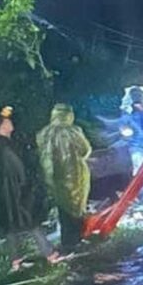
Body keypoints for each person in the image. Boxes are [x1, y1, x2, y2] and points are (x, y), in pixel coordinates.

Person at [0, 108, 59, 269]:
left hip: (8, 192)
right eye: (7, 121)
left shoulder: (1, 144)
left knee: (12, 223)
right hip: (16, 191)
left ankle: (15, 259)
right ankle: (49, 253)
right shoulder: (5, 147)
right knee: (30, 220)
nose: (10, 123)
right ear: (2, 126)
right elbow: (19, 169)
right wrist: (27, 185)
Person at [37, 104, 92, 251]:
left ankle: (66, 241)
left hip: (54, 178)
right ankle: (77, 239)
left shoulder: (44, 133)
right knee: (77, 207)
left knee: (62, 208)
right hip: (75, 177)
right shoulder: (73, 131)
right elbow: (85, 150)